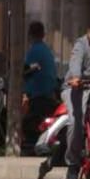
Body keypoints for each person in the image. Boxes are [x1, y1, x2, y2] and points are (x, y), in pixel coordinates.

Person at [63, 18, 90, 179]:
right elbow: (75, 62)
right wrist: (76, 77)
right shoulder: (80, 45)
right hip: (76, 87)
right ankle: (73, 163)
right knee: (76, 121)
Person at [23, 21, 60, 152]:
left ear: (29, 35)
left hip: (39, 94)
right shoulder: (45, 50)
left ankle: (34, 148)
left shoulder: (34, 50)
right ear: (43, 34)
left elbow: (26, 71)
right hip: (48, 92)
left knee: (30, 124)